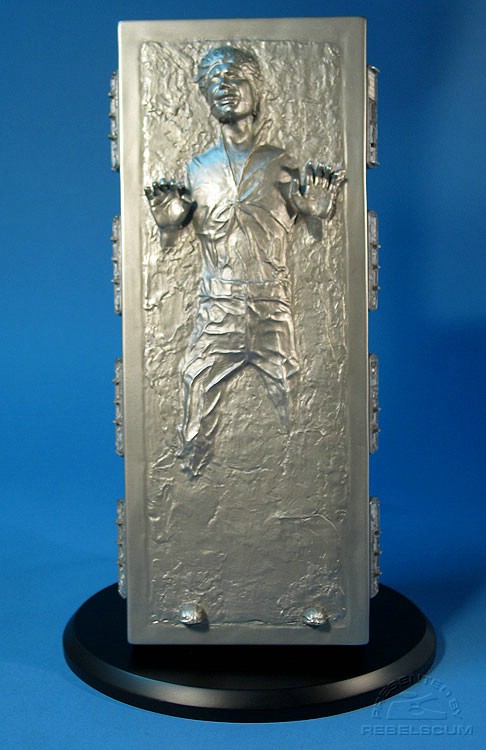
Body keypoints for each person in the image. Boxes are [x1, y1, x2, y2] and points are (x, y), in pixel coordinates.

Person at [145, 46, 345, 476]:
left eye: (234, 76)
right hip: (217, 308)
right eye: (213, 81)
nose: (223, 86)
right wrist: (168, 226)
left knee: (292, 395)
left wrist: (318, 212)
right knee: (194, 385)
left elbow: (316, 229)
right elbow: (168, 246)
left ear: (256, 88)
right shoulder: (198, 168)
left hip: (271, 306)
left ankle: (305, 479)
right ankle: (192, 483)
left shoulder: (281, 163)